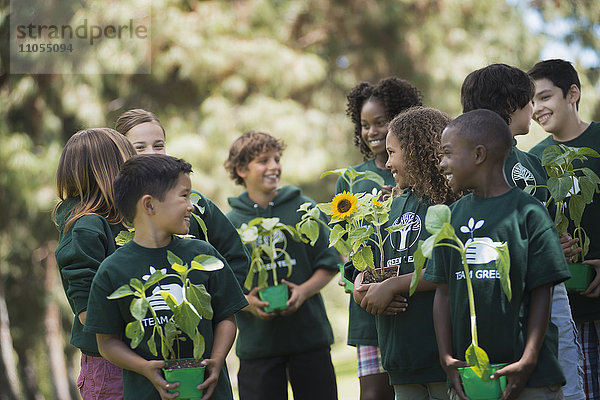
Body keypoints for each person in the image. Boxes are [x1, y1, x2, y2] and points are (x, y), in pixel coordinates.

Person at [423, 109, 570, 399]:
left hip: (532, 378)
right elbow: (443, 293)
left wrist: (528, 359)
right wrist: (446, 357)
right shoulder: (449, 218)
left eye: (448, 154)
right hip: (470, 377)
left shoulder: (528, 213)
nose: (441, 164)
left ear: (478, 155)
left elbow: (543, 291)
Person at [461, 63, 585, 400]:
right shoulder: (471, 162)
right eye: (529, 100)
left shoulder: (531, 162)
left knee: (564, 373)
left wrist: (555, 244)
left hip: (548, 290)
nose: (534, 109)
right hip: (497, 287)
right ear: (508, 103)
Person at [84, 155, 248, 400]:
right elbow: (106, 341)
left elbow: (226, 316)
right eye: (184, 196)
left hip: (209, 392)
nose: (191, 205)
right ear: (149, 205)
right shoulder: (112, 271)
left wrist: (216, 359)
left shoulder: (203, 254)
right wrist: (143, 368)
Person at [351, 107, 458, 399]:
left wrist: (395, 285)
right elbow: (373, 268)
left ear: (415, 151)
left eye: (392, 153)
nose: (386, 163)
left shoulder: (452, 203)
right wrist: (364, 290)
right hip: (401, 358)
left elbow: (450, 268)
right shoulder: (389, 207)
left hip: (443, 359)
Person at [224, 131, 340, 400]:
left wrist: (303, 291)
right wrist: (246, 302)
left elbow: (329, 262)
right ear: (241, 169)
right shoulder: (230, 222)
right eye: (264, 161)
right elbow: (222, 283)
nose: (274, 166)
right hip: (257, 347)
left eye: (277, 159)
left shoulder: (304, 207)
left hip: (309, 339)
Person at [340, 77, 422, 400]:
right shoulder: (351, 179)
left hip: (408, 298)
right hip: (366, 303)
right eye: (364, 124)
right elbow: (347, 247)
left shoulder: (415, 175)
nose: (372, 131)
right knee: (373, 394)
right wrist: (358, 281)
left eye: (380, 123)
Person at [528, 59, 600, 399]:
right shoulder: (535, 160)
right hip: (569, 305)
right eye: (532, 102)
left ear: (573, 93)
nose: (537, 109)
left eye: (545, 97)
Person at [115, 108, 250, 286]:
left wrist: (220, 302)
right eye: (140, 147)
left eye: (158, 145)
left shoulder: (195, 203)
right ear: (120, 152)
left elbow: (236, 256)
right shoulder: (114, 209)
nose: (152, 153)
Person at [53, 128, 137, 399]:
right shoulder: (87, 227)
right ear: (114, 171)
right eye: (131, 163)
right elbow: (88, 312)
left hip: (137, 356)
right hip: (109, 364)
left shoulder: (122, 221)